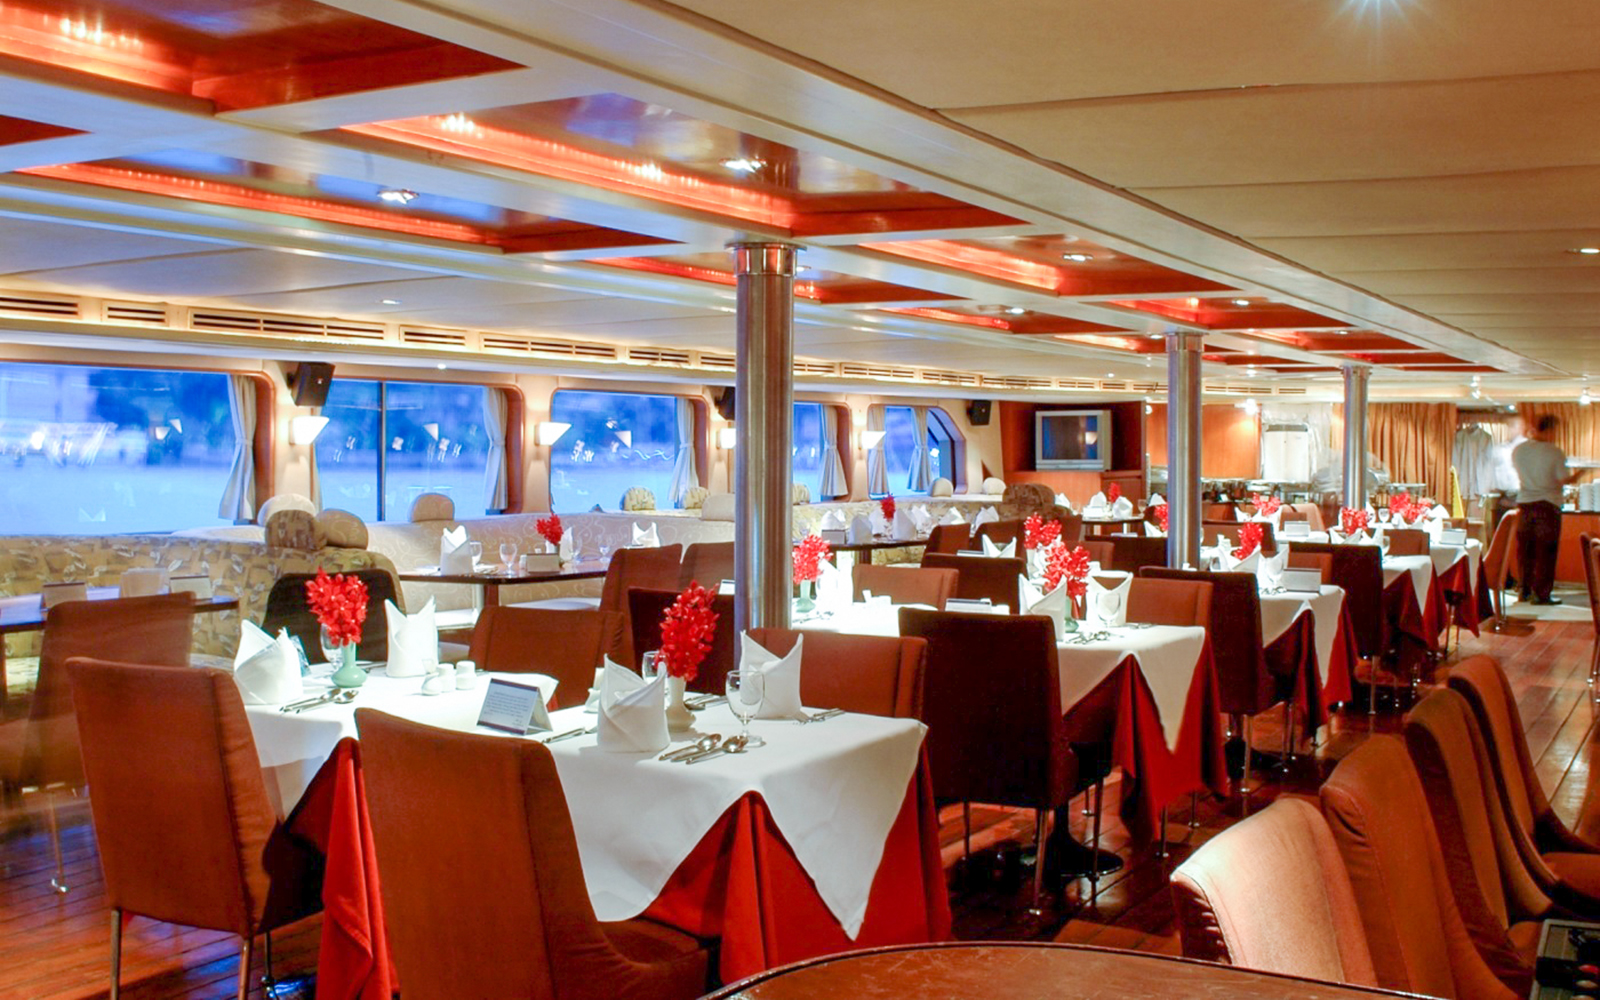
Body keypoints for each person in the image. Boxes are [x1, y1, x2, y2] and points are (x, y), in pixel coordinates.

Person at [1511, 414, 1580, 605]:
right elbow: (1564, 480)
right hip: (1548, 505)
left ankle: (1523, 591)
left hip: (1524, 504)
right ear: (1550, 430)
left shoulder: (1519, 450)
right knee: (1546, 552)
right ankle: (1541, 594)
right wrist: (1583, 472)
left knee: (1525, 551)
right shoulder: (1554, 452)